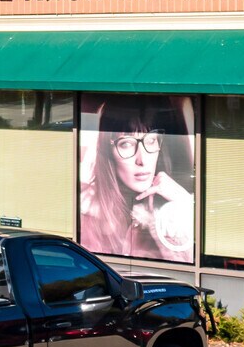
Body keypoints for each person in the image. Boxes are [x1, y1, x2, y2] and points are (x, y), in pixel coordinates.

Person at [79, 98, 194, 262]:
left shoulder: (171, 211)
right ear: (108, 151)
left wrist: (182, 204)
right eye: (126, 144)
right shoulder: (87, 212)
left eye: (151, 140)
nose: (142, 160)